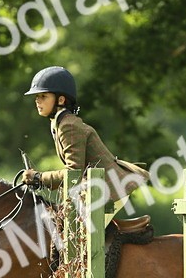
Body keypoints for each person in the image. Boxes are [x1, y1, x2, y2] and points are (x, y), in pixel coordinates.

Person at [19, 66, 148, 220]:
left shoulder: (69, 126)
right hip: (96, 189)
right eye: (37, 97)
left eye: (43, 96)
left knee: (78, 240)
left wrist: (40, 178)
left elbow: (74, 173)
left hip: (109, 189)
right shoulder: (59, 122)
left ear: (61, 100)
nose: (37, 101)